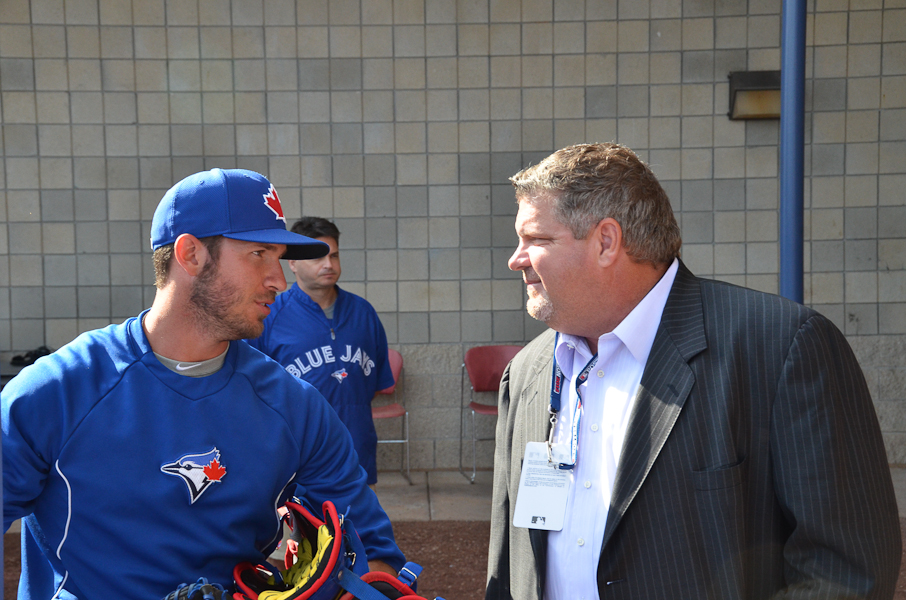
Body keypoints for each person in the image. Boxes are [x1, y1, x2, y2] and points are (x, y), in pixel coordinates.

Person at [485, 143, 901, 600]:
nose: (516, 259)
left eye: (538, 240)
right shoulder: (526, 374)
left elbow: (845, 571)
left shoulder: (781, 347)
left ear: (606, 241)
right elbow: (509, 568)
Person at [2, 168, 404, 600]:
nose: (279, 280)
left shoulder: (295, 406)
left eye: (280, 257)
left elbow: (375, 557)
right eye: (259, 254)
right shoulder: (58, 391)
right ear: (191, 254)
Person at [248, 217, 394, 486]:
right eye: (318, 257)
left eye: (334, 256)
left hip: (357, 448)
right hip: (299, 456)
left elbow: (372, 384)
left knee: (359, 526)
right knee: (305, 528)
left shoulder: (364, 313)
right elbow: (253, 390)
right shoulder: (269, 316)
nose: (329, 264)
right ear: (291, 263)